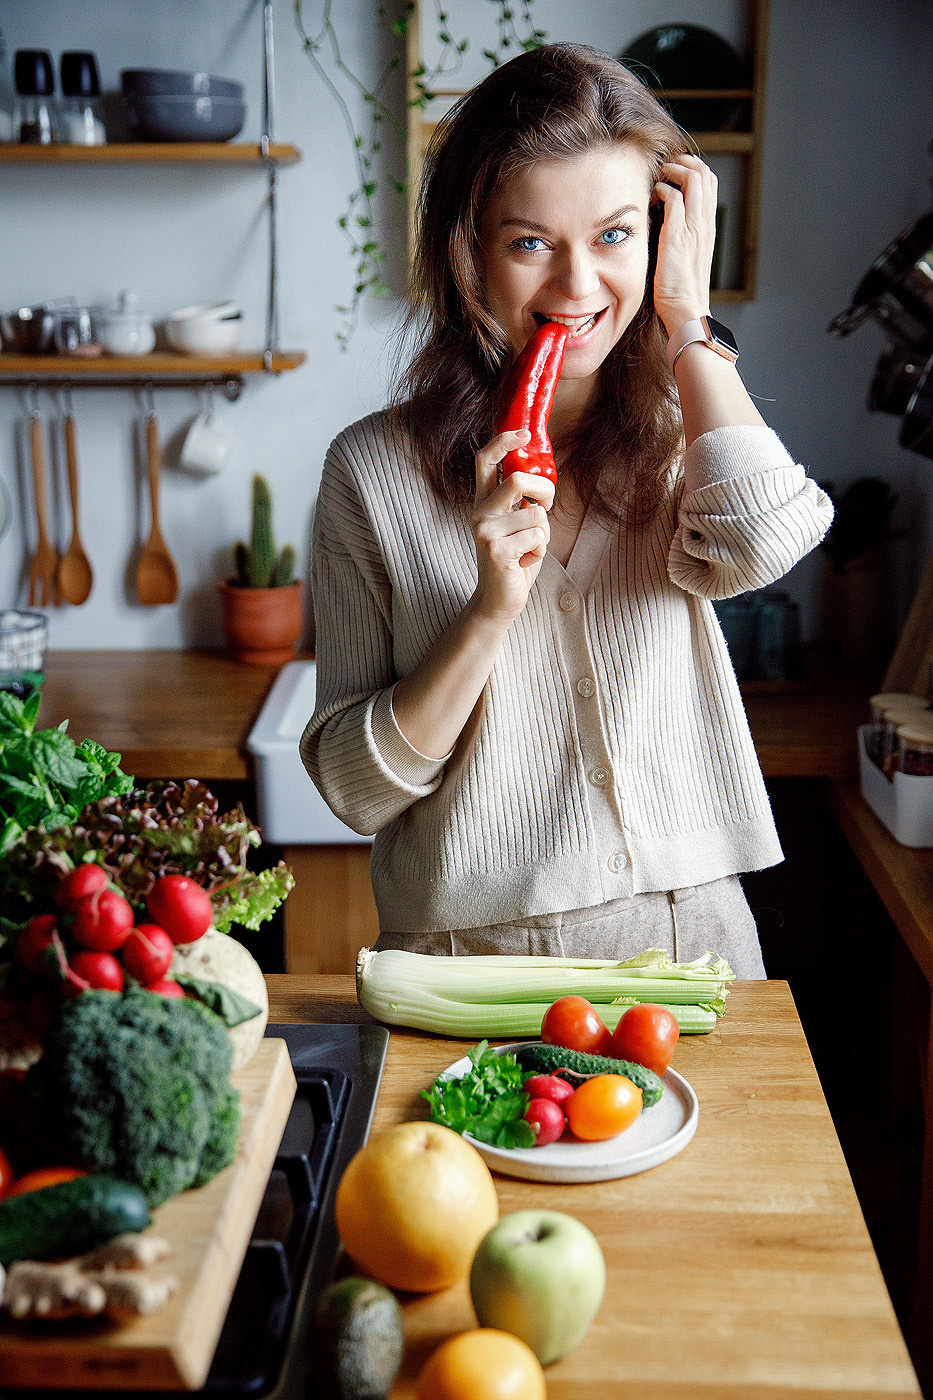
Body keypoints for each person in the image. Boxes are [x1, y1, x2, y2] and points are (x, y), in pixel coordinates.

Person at [300, 42, 832, 978]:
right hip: (468, 959)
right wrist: (487, 610)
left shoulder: (687, 424)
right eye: (529, 242)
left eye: (615, 235)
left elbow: (763, 544)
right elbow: (351, 787)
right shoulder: (371, 471)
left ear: (666, 236)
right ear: (468, 249)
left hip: (691, 941)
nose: (577, 287)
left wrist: (685, 319)